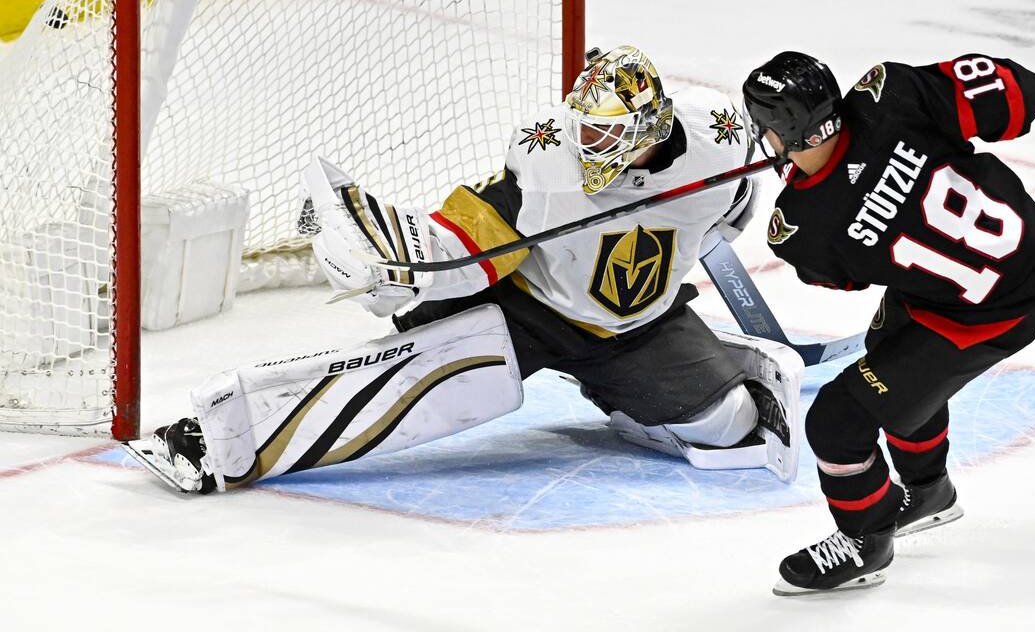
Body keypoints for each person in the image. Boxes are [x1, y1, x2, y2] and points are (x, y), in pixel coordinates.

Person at [140, 46, 807, 495]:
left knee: (735, 430)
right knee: (401, 388)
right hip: (525, 313)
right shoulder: (544, 162)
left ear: (650, 127)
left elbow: (730, 211)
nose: (586, 145)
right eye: (583, 128)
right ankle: (215, 441)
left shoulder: (722, 140)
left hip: (637, 330)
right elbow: (465, 239)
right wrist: (404, 268)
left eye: (605, 137)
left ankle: (639, 396)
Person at [741, 51, 1035, 594]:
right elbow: (1018, 94)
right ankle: (928, 490)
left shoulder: (798, 226)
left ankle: (865, 542)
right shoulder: (890, 95)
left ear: (780, 131)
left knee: (838, 422)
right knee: (892, 358)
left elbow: (839, 279)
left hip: (986, 315)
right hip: (1026, 251)